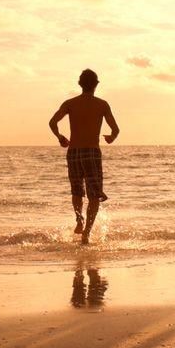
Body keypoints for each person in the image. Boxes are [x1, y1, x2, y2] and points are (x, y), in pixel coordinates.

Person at [48, 68, 120, 244]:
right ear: (96, 85)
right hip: (91, 152)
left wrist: (60, 137)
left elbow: (52, 122)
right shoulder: (102, 104)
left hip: (73, 152)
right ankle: (86, 233)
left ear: (80, 84)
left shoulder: (70, 103)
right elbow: (115, 129)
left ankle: (79, 219)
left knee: (77, 191)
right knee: (94, 195)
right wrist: (111, 138)